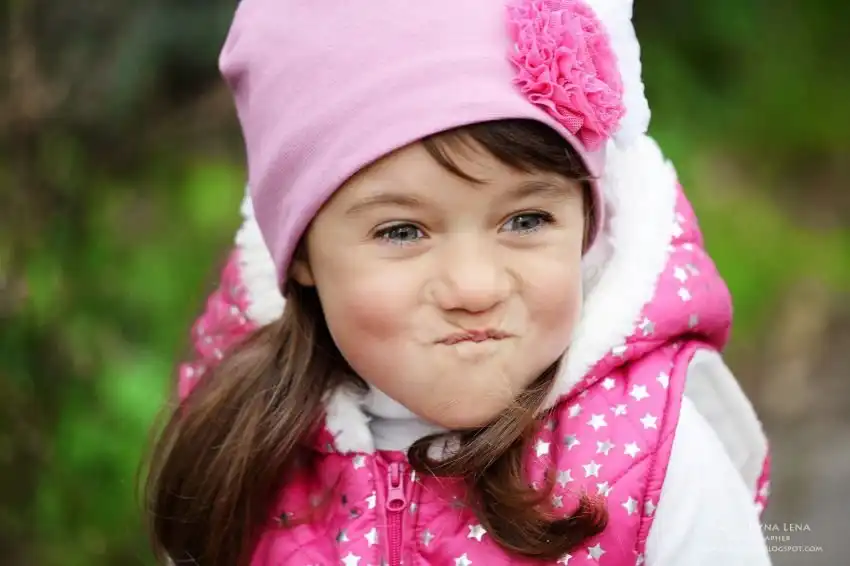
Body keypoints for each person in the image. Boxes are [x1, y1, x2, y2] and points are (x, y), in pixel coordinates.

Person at [145, 0, 773, 564]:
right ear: (302, 254)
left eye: (526, 220)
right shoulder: (243, 463)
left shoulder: (656, 463)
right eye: (402, 231)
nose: (474, 288)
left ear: (586, 224)